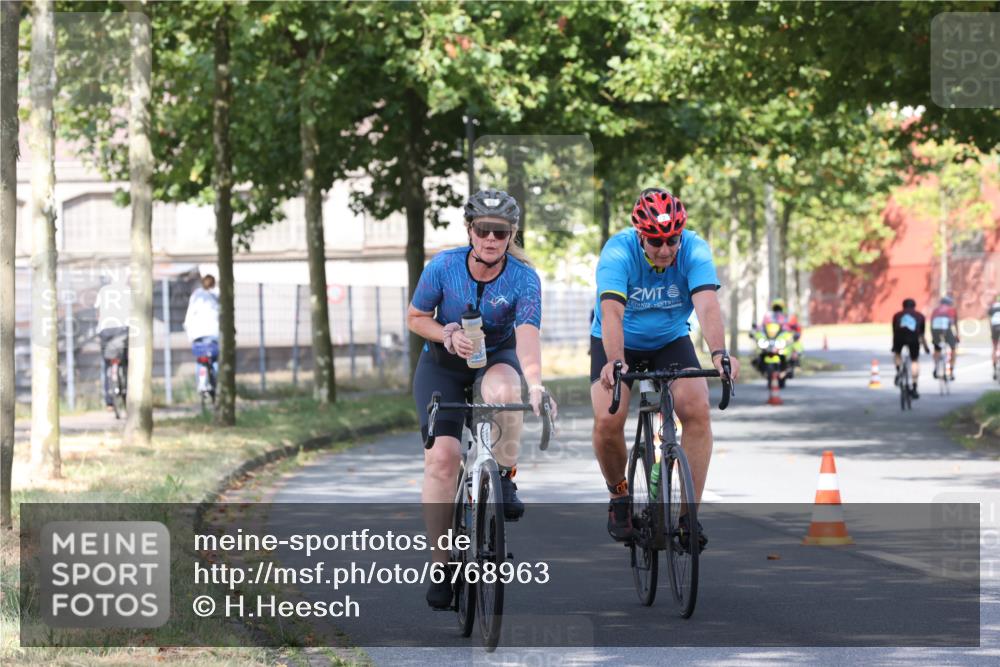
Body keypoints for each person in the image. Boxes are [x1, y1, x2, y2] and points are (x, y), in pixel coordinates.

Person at [407, 189, 558, 609]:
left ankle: (503, 475)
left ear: (512, 234)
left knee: (507, 392)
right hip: (443, 363)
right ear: (470, 230)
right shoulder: (444, 267)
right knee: (442, 459)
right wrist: (446, 333)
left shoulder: (523, 278)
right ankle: (442, 565)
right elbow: (416, 317)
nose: (491, 238)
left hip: (497, 357)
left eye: (501, 232)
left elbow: (527, 335)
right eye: (483, 230)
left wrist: (536, 384)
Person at [590, 187, 738, 546]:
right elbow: (612, 312)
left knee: (697, 408)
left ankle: (688, 519)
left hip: (670, 340)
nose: (665, 249)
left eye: (672, 240)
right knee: (608, 419)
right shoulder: (618, 251)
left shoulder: (695, 249)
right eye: (655, 241)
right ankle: (619, 495)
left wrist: (719, 353)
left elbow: (707, 305)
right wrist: (615, 360)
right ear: (640, 235)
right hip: (619, 342)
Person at [95, 272, 132, 410]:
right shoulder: (128, 290)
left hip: (105, 330)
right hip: (123, 329)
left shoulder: (103, 290)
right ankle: (128, 393)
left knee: (107, 364)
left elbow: (98, 313)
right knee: (125, 361)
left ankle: (109, 402)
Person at [183, 274, 220, 386]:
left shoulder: (196, 296)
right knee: (214, 359)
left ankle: (201, 384)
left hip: (197, 334)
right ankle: (215, 384)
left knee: (200, 359)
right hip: (213, 333)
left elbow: (189, 317)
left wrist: (190, 335)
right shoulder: (217, 295)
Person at [891, 298, 930, 398]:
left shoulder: (897, 315)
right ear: (914, 306)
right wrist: (926, 347)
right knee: (914, 360)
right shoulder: (920, 316)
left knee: (897, 353)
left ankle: (898, 371)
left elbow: (894, 331)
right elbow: (921, 334)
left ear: (903, 306)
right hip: (913, 339)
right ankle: (914, 387)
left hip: (899, 337)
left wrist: (894, 347)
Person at [930, 296, 959, 381]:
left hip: (935, 330)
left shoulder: (935, 310)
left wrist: (933, 336)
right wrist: (957, 335)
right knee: (953, 348)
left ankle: (936, 367)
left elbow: (931, 324)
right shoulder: (952, 310)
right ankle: (951, 370)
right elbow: (954, 324)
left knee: (937, 348)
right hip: (947, 330)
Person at [989, 295, 1000, 379]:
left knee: (994, 347)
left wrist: (991, 331)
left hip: (994, 327)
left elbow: (990, 321)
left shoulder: (992, 307)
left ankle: (994, 369)